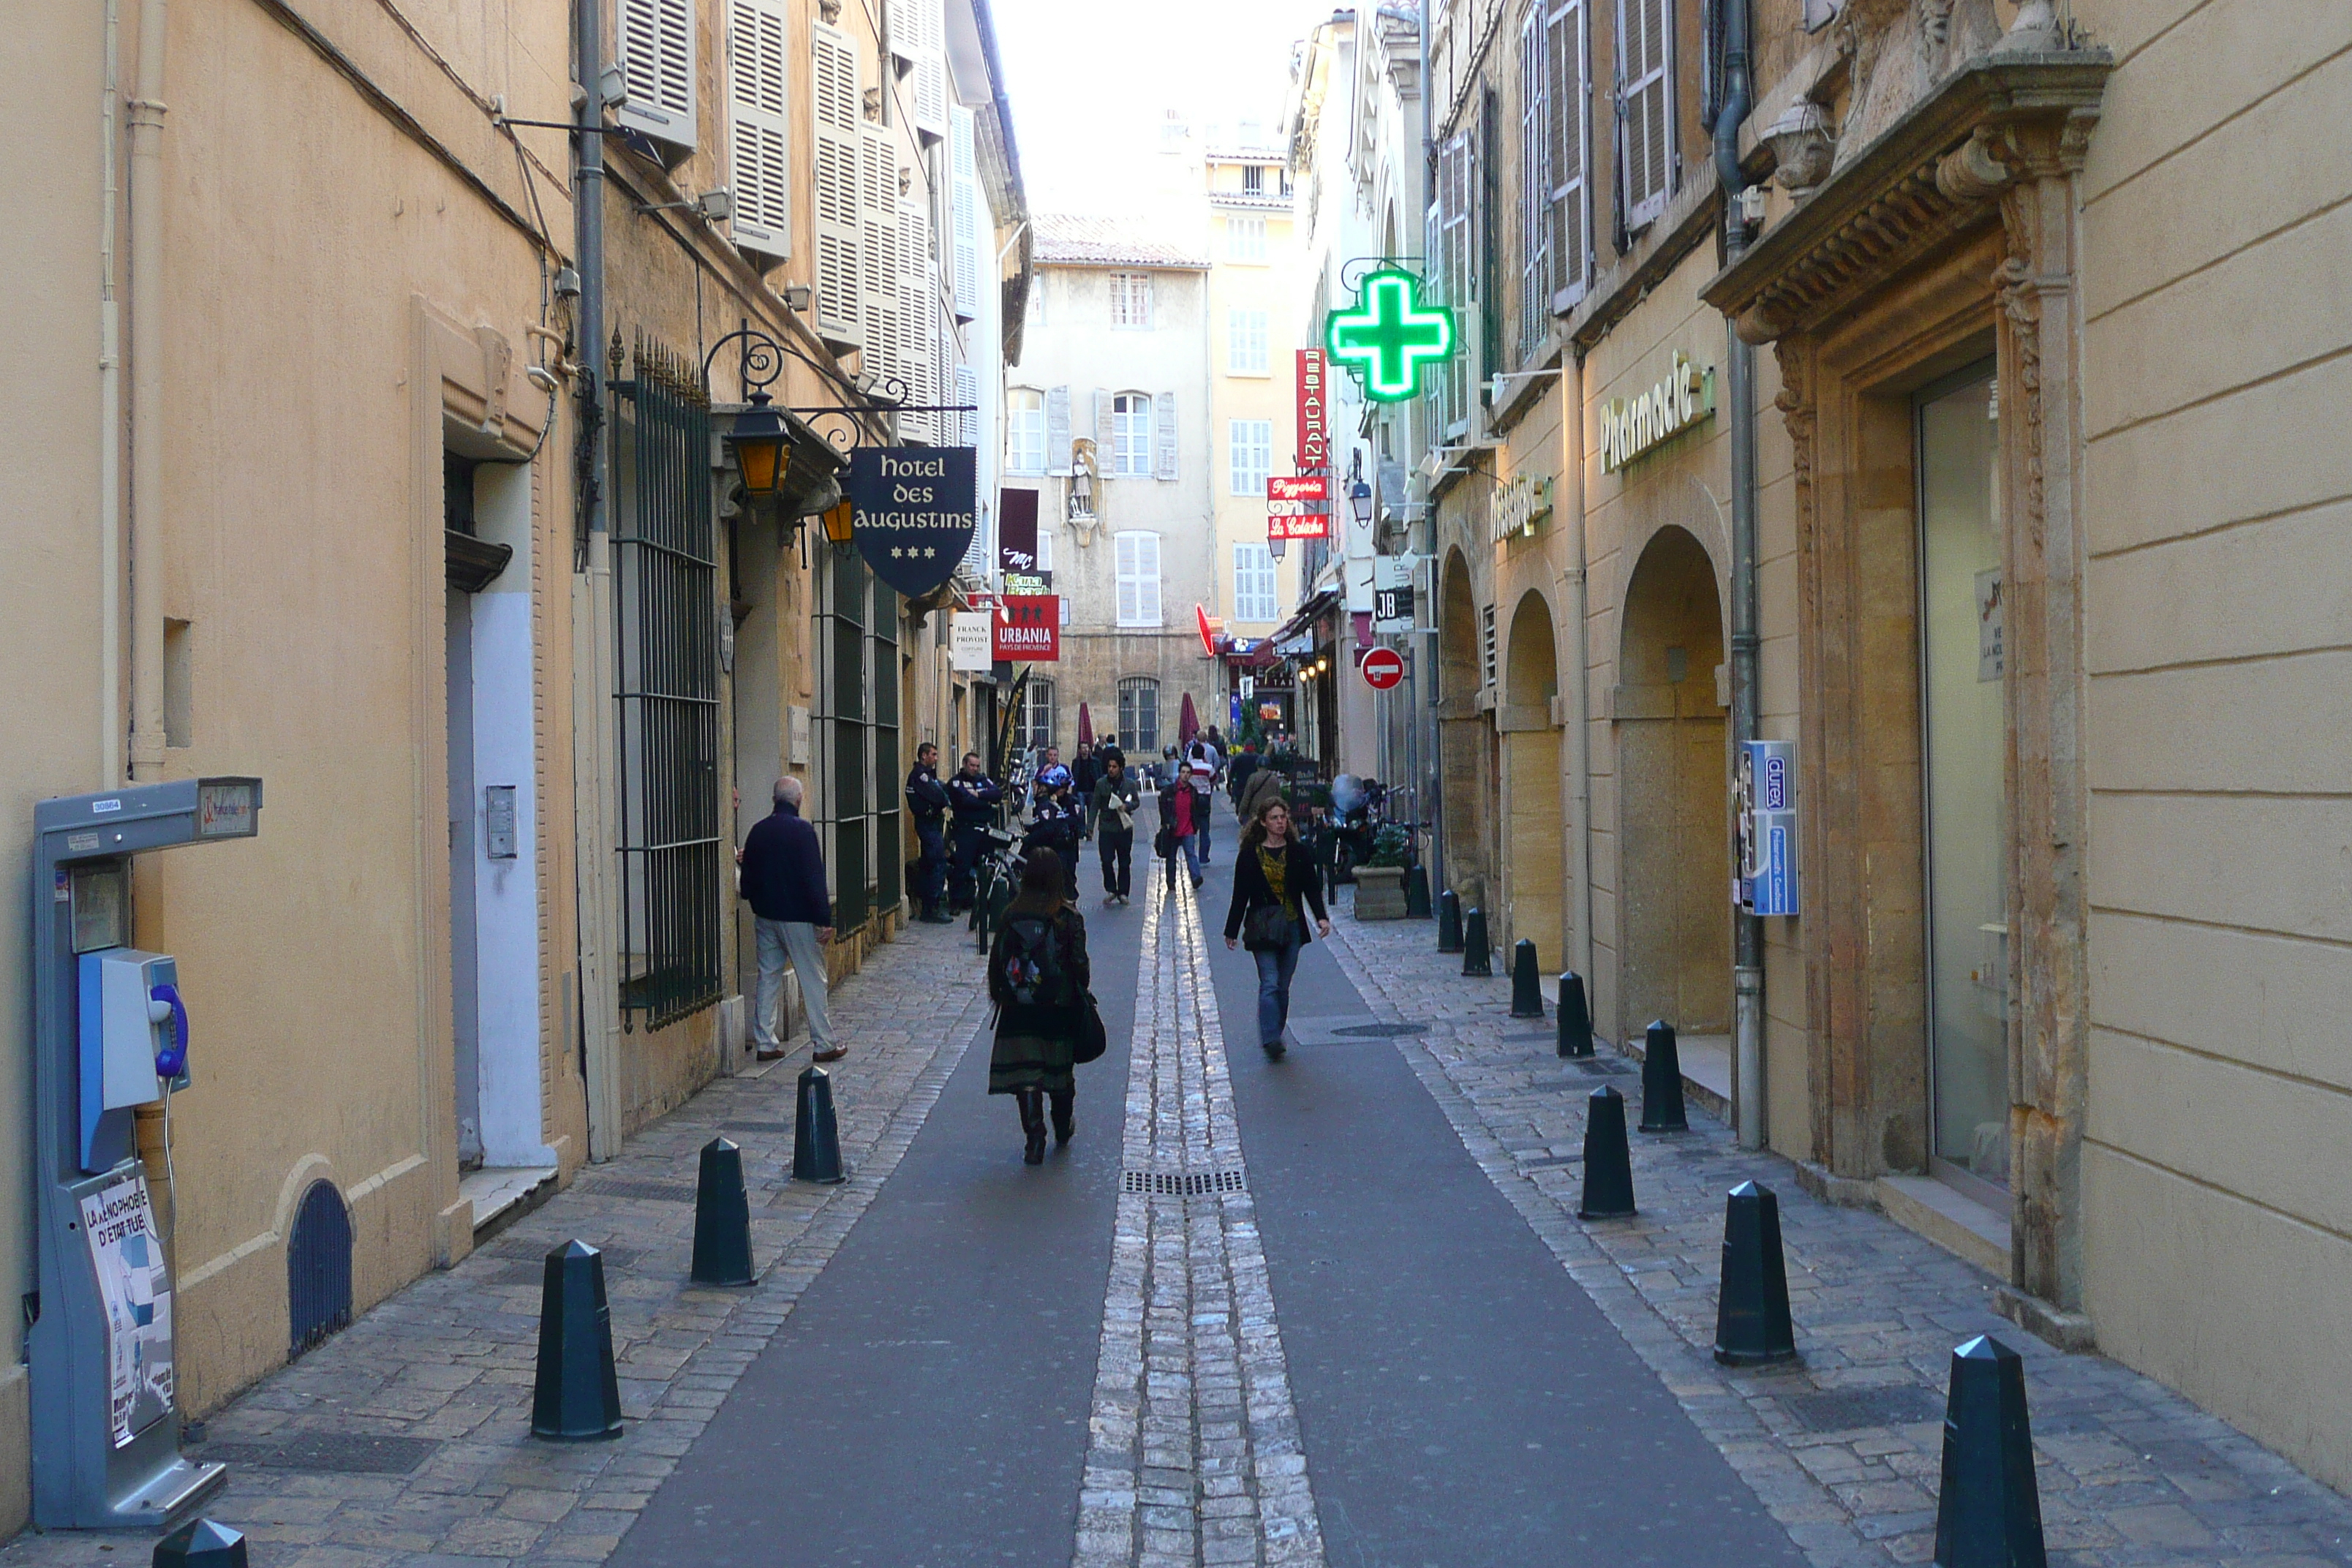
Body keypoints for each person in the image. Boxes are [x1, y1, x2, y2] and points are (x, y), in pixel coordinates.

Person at [987, 851, 1092, 1164]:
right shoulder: (1068, 918)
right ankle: (1062, 1126)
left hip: (1019, 1009)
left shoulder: (1010, 915)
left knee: (1026, 1076)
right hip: (1056, 1008)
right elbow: (1080, 968)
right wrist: (1079, 997)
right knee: (1060, 1073)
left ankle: (1034, 1139)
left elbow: (996, 964)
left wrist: (1004, 995)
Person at [739, 777, 842, 1063]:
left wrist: (754, 898)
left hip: (766, 915)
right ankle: (824, 1043)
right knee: (812, 979)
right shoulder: (802, 831)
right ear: (798, 800)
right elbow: (813, 878)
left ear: (775, 800)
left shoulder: (757, 831)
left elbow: (748, 880)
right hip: (797, 918)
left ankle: (765, 1041)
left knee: (768, 977)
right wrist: (823, 918)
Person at [1223, 797, 1330, 1060]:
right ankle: (1271, 1037)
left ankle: (1275, 1029)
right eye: (1275, 818)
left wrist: (1321, 917)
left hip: (1292, 926)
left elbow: (1311, 887)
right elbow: (1240, 894)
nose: (1280, 822)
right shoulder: (1249, 855)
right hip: (1263, 928)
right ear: (1263, 822)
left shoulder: (1298, 852)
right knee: (1269, 982)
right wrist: (1231, 929)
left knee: (1282, 986)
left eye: (1283, 817)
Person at [946, 751, 1002, 913]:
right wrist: (987, 804)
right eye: (972, 765)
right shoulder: (956, 782)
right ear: (964, 765)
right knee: (962, 867)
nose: (975, 769)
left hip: (984, 830)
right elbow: (964, 801)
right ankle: (956, 903)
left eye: (977, 766)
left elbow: (997, 793)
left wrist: (979, 795)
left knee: (986, 866)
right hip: (966, 829)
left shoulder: (982, 779)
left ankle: (981, 902)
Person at [905, 742, 954, 923]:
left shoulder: (926, 774)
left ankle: (930, 905)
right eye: (933, 754)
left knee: (930, 863)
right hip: (928, 823)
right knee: (937, 862)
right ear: (924, 756)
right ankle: (931, 907)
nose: (936, 758)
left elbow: (942, 789)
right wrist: (944, 799)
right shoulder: (920, 776)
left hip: (932, 823)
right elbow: (938, 795)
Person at [1092, 753, 1140, 905]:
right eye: (1109, 767)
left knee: (1124, 861)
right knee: (1106, 860)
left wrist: (1127, 806)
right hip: (1106, 827)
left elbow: (1136, 802)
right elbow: (1095, 805)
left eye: (1114, 767)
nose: (1111, 770)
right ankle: (1111, 889)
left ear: (1120, 768)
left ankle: (1123, 892)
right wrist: (1089, 825)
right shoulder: (1101, 784)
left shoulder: (1129, 784)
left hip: (1123, 828)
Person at [1158, 767, 1202, 891]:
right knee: (1171, 856)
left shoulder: (1193, 791)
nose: (1185, 775)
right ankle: (1171, 881)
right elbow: (1163, 807)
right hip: (1173, 828)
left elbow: (1196, 809)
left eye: (1188, 773)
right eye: (1183, 772)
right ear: (1179, 773)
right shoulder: (1170, 791)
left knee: (1190, 853)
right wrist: (1166, 822)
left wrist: (1196, 824)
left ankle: (1196, 878)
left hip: (1188, 828)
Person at [1237, 749, 1285, 824]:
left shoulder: (1253, 778)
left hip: (1255, 814)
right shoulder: (1274, 779)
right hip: (1271, 814)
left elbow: (1247, 797)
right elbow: (1279, 798)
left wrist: (1241, 812)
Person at [1071, 742, 1100, 839]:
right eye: (1083, 748)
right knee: (1081, 811)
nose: (1085, 750)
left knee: (1091, 812)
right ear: (1079, 750)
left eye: (1086, 748)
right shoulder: (1076, 762)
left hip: (1092, 790)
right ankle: (1082, 831)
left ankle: (1090, 831)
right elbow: (1074, 776)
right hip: (1080, 790)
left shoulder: (1095, 762)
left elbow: (1099, 775)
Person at [1227, 740, 1261, 804]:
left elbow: (1232, 773)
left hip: (1241, 787)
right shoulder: (1258, 758)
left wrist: (1229, 785)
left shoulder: (1238, 758)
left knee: (1240, 808)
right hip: (1255, 788)